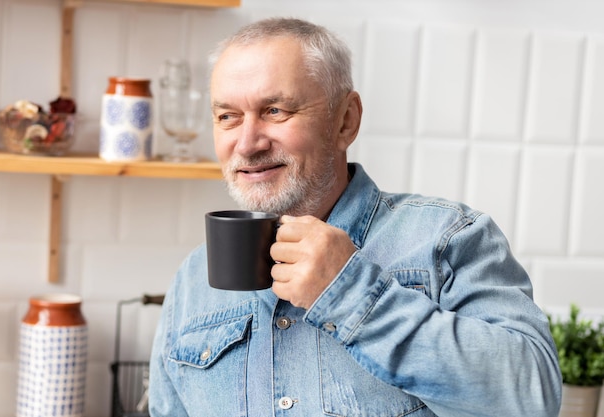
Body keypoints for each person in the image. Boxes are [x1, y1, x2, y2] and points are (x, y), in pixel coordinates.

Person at [149, 17, 562, 417]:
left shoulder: (448, 240)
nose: (247, 143)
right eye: (227, 116)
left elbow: (532, 398)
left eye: (275, 110)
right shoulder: (192, 279)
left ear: (345, 120)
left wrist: (348, 291)